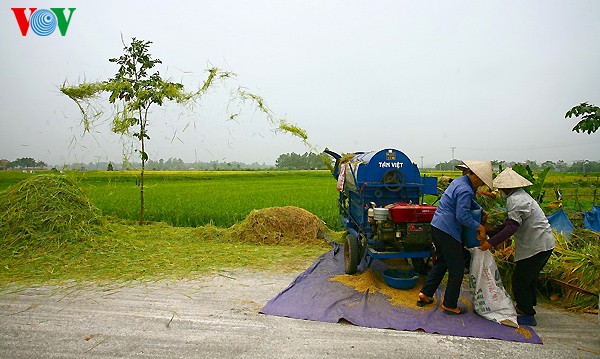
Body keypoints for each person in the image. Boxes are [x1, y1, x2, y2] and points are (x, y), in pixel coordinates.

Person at [479, 168, 555, 326]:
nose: (499, 192)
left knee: (520, 280)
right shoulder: (519, 196)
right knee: (529, 279)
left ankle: (527, 314)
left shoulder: (516, 200)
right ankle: (525, 307)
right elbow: (508, 224)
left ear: (507, 188)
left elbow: (511, 228)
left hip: (537, 245)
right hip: (542, 243)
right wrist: (490, 232)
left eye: (501, 189)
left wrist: (489, 243)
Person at [417, 160, 493, 314]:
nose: (480, 186)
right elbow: (462, 216)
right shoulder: (465, 189)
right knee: (457, 268)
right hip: (448, 230)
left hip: (437, 226)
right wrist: (480, 227)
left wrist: (480, 210)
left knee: (442, 261)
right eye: (482, 182)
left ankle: (425, 293)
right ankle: (450, 305)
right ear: (476, 177)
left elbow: (470, 203)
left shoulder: (460, 182)